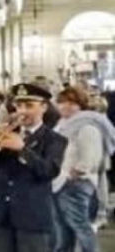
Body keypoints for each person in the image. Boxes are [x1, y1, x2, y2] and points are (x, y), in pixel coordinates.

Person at [0, 83, 67, 252]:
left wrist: (23, 150)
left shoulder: (54, 140)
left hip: (31, 216)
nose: (22, 111)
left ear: (44, 107)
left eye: (29, 106)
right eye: (19, 105)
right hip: (2, 213)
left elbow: (49, 171)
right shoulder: (8, 134)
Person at [52, 87, 115, 251]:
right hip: (59, 182)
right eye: (62, 102)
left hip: (75, 184)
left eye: (71, 103)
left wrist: (76, 172)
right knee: (63, 229)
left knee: (80, 227)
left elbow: (91, 157)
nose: (65, 106)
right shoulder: (63, 124)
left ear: (81, 104)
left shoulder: (87, 126)